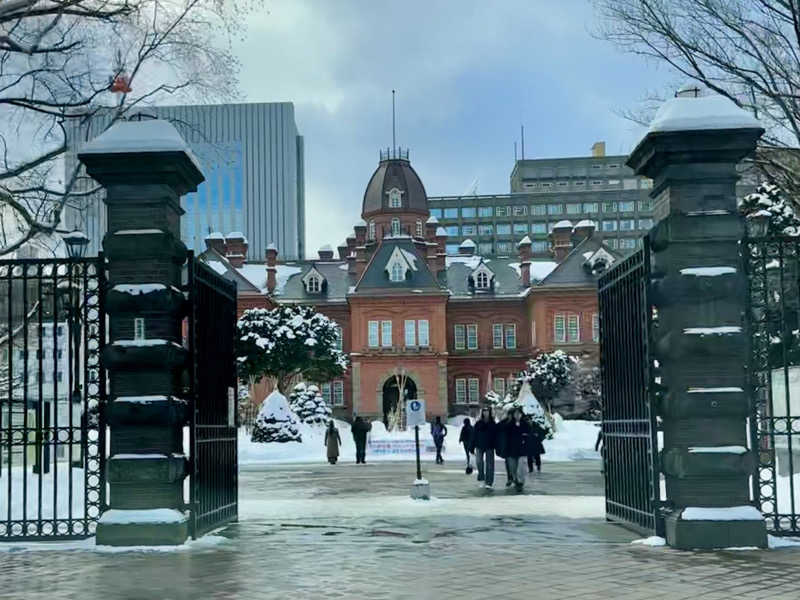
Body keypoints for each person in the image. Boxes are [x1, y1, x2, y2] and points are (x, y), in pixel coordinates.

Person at [505, 408, 531, 492]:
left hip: (522, 449)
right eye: (515, 414)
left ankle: (520, 482)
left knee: (521, 465)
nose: (517, 415)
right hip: (511, 449)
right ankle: (516, 480)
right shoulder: (509, 424)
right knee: (513, 468)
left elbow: (529, 433)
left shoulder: (525, 424)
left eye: (519, 414)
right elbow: (505, 435)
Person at [472, 406, 496, 489]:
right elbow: (474, 435)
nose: (486, 413)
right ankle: (481, 478)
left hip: (490, 446)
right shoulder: (478, 423)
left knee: (490, 464)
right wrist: (472, 446)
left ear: (490, 413)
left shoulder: (493, 423)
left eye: (487, 411)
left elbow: (496, 436)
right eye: (484, 411)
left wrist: (496, 445)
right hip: (479, 445)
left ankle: (489, 482)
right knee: (479, 462)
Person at [495, 409, 515, 487]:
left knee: (515, 464)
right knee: (508, 463)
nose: (510, 416)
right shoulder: (504, 423)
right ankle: (510, 478)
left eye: (511, 415)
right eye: (509, 415)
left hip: (516, 447)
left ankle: (514, 478)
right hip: (507, 447)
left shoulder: (517, 423)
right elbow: (497, 428)